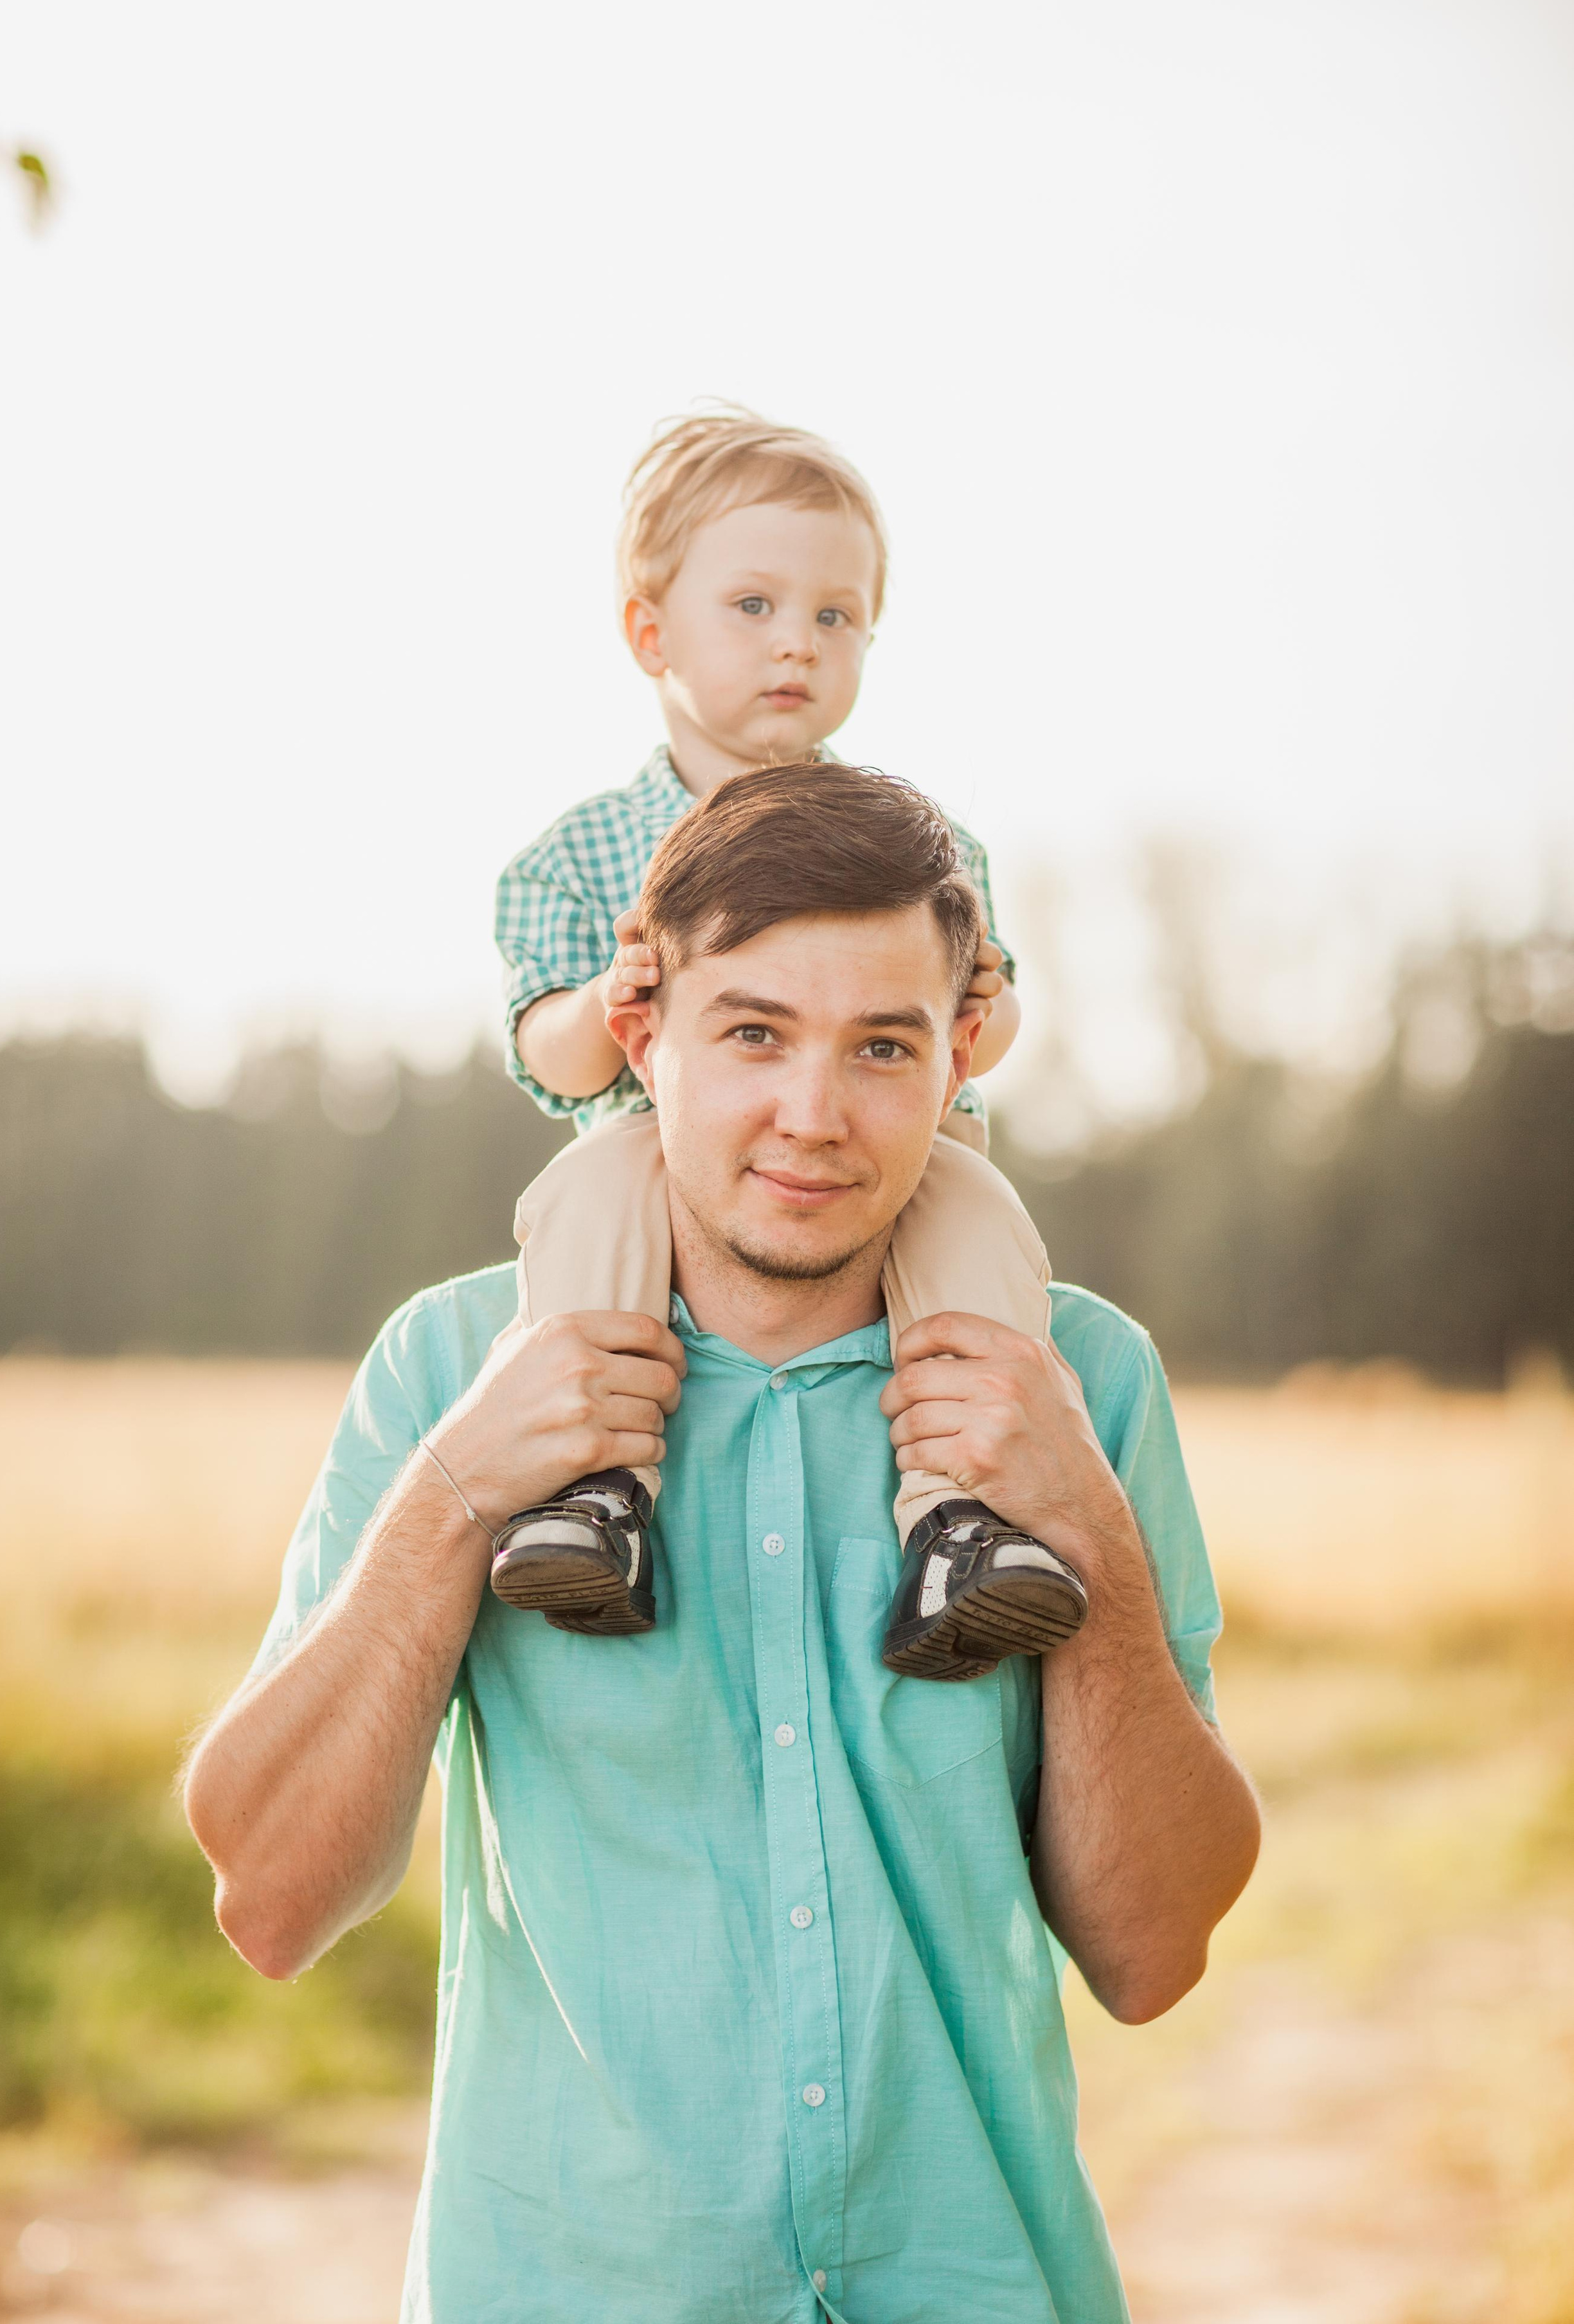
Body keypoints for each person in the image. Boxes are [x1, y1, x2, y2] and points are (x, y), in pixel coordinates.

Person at [184, 761, 1261, 2324]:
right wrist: (452, 1498)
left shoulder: (1076, 1383)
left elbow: (1152, 1956)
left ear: (958, 1052)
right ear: (643, 1036)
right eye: (753, 1032)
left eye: (880, 1046)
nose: (812, 1118)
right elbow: (272, 1906)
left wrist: (1084, 1531)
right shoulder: (454, 1369)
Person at [490, 408, 1086, 1680]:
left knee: (976, 1212)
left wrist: (977, 996)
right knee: (582, 1195)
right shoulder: (583, 852)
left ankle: (961, 1523)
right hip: (662, 1158)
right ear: (650, 633)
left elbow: (987, 1031)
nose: (797, 644)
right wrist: (609, 997)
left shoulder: (920, 847)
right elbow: (551, 1058)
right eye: (753, 606)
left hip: (891, 1161)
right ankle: (596, 1495)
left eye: (835, 616)